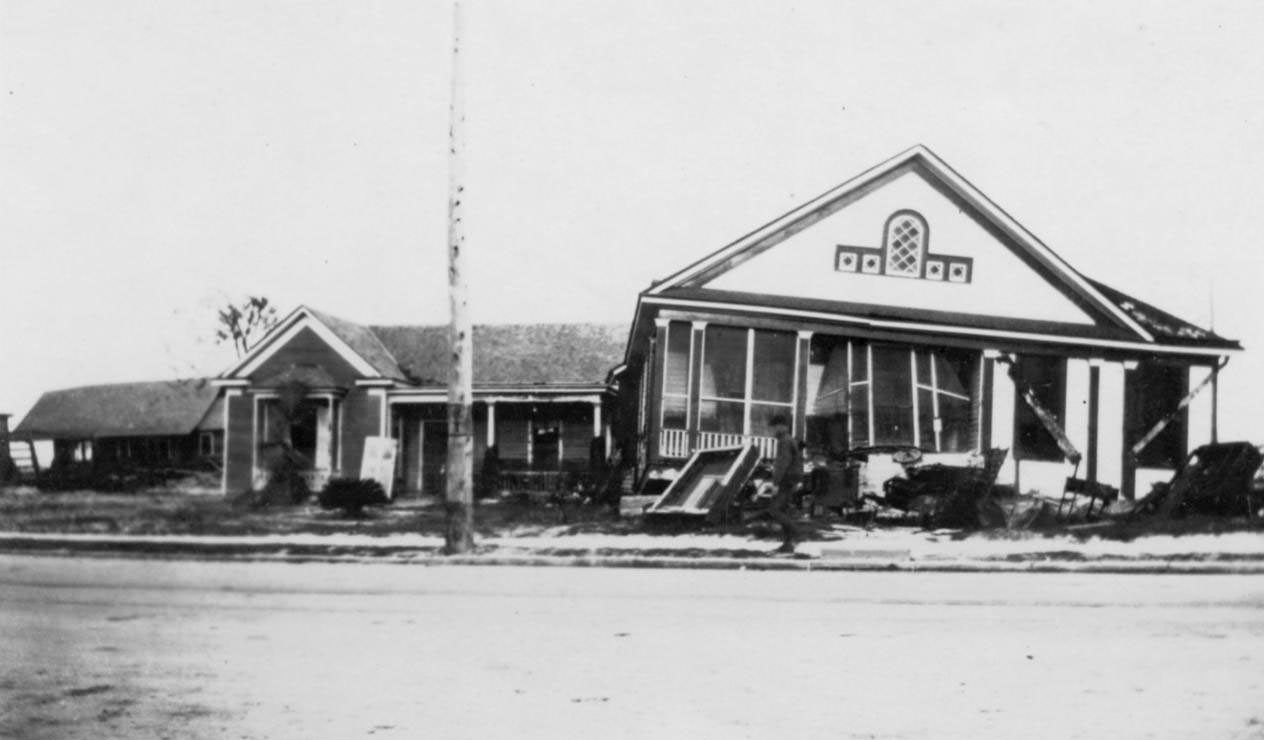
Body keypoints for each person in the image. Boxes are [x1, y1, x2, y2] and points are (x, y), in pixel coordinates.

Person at [767, 414, 803, 554]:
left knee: (774, 510)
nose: (772, 431)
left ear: (782, 426)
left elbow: (783, 463)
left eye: (773, 428)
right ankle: (788, 545)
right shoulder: (788, 440)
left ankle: (797, 533)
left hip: (786, 480)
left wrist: (775, 483)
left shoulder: (784, 441)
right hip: (791, 480)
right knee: (783, 511)